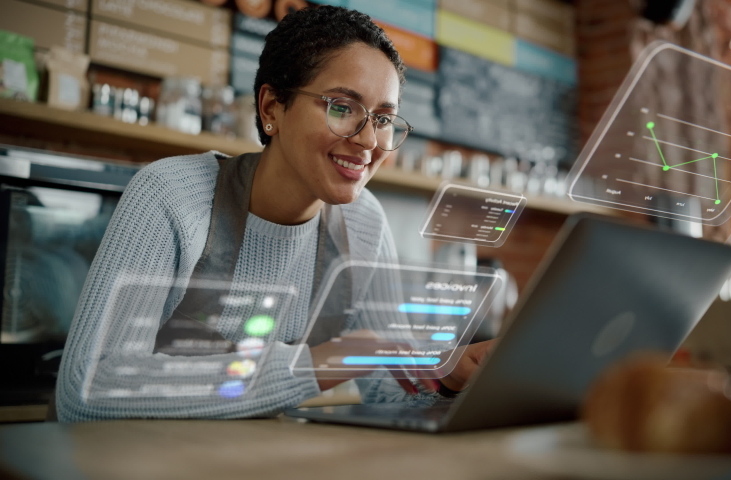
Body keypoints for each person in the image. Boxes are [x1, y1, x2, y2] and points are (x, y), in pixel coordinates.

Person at [56, 5, 492, 422]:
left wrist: (447, 379)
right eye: (342, 107)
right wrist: (315, 363)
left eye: (382, 118)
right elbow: (84, 390)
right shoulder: (172, 195)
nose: (368, 141)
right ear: (271, 109)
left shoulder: (364, 223)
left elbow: (387, 391)